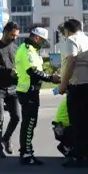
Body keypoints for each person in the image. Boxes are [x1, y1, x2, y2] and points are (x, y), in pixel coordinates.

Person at [57, 18, 88, 168]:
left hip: (77, 86)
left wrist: (63, 84)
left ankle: (77, 157)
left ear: (67, 30)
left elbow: (71, 62)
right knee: (86, 121)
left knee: (76, 122)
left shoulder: (71, 40)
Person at [14, 27, 60, 165]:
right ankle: (26, 153)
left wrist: (48, 73)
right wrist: (50, 78)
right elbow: (33, 71)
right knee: (29, 124)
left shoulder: (31, 50)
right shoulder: (27, 50)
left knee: (30, 123)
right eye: (42, 41)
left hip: (31, 91)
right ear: (36, 38)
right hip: (27, 91)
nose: (43, 44)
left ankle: (26, 151)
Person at [0, 21, 21, 157]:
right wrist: (8, 70)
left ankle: (6, 138)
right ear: (5, 32)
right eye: (12, 35)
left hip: (12, 88)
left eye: (16, 35)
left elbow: (19, 64)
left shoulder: (15, 48)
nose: (14, 38)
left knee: (16, 117)